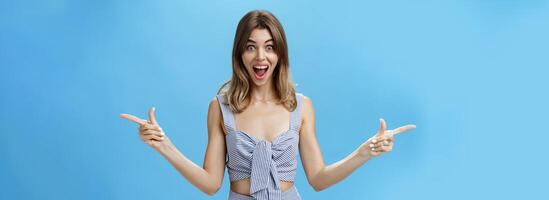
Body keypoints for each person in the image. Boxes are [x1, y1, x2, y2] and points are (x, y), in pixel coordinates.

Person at [120, 10, 416, 200]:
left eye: (269, 47)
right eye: (251, 47)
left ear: (280, 55)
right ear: (240, 54)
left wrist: (363, 153)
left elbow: (318, 179)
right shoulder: (219, 108)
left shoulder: (301, 107)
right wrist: (164, 146)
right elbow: (211, 184)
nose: (260, 56)